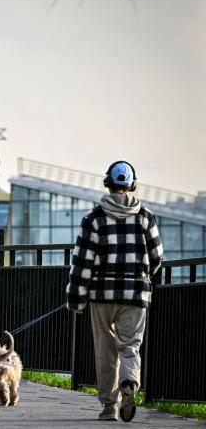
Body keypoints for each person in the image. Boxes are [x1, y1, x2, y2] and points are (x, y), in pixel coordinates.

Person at [66, 161, 163, 422]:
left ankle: (109, 406)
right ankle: (130, 381)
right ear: (131, 185)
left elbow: (82, 263)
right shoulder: (145, 217)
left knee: (105, 350)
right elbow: (157, 256)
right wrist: (142, 278)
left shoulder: (94, 219)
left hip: (101, 295)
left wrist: (76, 299)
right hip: (135, 295)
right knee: (130, 347)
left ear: (108, 183)